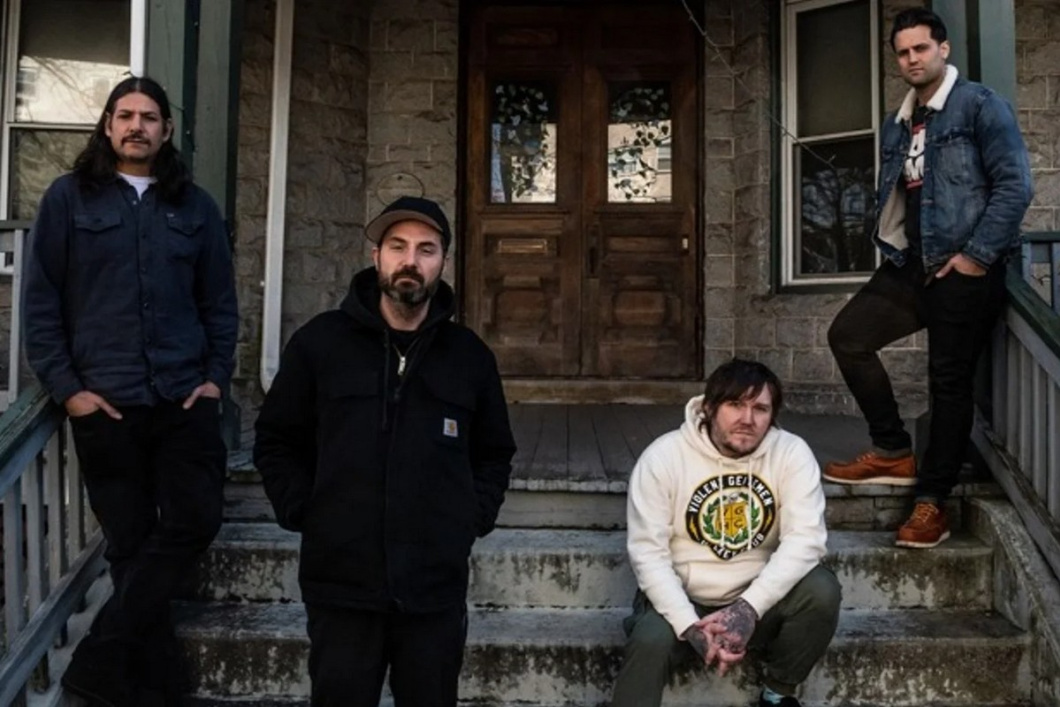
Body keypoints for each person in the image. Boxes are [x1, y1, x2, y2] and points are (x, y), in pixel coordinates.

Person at [24, 76, 237, 706]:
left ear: (166, 130)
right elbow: (41, 305)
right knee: (132, 543)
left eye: (149, 117)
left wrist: (215, 377)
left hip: (183, 398)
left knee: (195, 520)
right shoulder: (68, 199)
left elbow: (219, 304)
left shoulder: (194, 208)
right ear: (108, 125)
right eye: (125, 115)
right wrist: (68, 391)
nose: (136, 126)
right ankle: (158, 690)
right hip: (105, 404)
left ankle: (94, 664)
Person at [254, 195, 516, 707]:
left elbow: (494, 453)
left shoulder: (469, 358)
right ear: (376, 256)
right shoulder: (320, 344)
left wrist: (469, 518)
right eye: (398, 246)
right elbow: (276, 438)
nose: (410, 261)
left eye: (426, 249)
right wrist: (304, 509)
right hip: (341, 584)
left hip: (433, 590)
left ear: (442, 262)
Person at [825, 8, 1033, 548]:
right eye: (903, 52)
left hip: (964, 270)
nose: (912, 59)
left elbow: (1015, 186)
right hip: (911, 264)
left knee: (948, 382)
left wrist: (975, 257)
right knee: (848, 336)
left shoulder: (980, 105)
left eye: (921, 48)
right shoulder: (900, 122)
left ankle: (931, 502)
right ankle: (893, 450)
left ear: (943, 49)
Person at [611, 359, 840, 707]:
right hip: (685, 594)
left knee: (821, 590)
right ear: (709, 408)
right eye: (735, 404)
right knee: (650, 640)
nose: (747, 419)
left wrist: (748, 609)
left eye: (760, 408)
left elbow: (806, 540)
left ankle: (778, 694)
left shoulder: (791, 453)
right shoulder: (663, 458)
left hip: (758, 598)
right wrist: (689, 625)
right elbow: (648, 554)